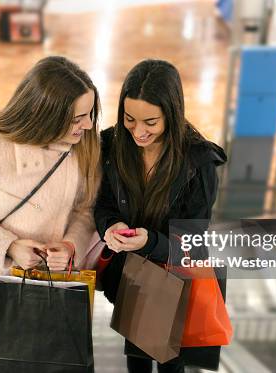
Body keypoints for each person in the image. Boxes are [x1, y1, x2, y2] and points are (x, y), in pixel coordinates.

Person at [94, 59, 227, 373]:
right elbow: (103, 204)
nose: (138, 132)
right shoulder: (112, 145)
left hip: (175, 282)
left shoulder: (198, 163)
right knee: (137, 359)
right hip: (130, 279)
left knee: (171, 363)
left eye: (150, 122)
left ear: (172, 113)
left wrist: (149, 241)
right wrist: (111, 226)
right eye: (129, 119)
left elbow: (192, 244)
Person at [0, 56, 101, 319]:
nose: (89, 125)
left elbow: (86, 210)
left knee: (60, 358)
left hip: (57, 286)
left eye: (90, 114)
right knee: (10, 357)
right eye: (78, 118)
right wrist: (10, 246)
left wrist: (70, 247)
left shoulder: (85, 147)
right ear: (46, 114)